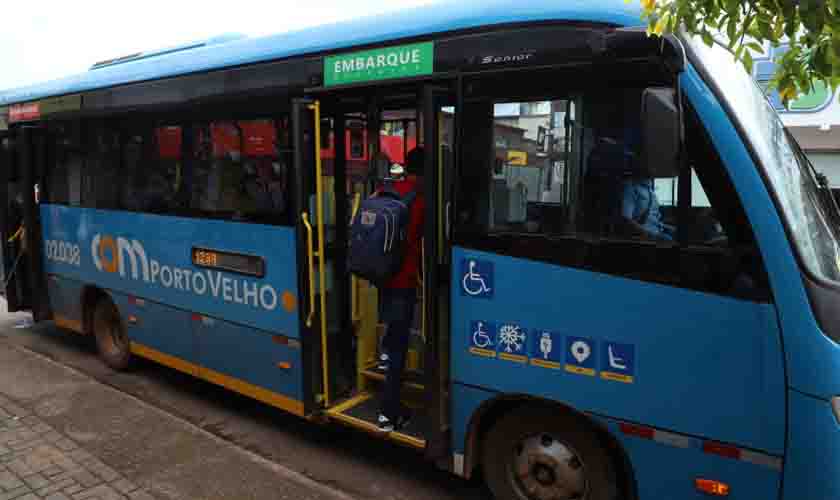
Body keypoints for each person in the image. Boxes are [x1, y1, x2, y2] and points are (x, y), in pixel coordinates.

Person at [377, 146, 425, 433]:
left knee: (391, 336)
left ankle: (383, 355)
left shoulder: (388, 189)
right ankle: (388, 414)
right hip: (403, 280)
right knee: (399, 348)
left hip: (381, 275)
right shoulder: (421, 199)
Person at [620, 174, 675, 241]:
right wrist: (651, 235)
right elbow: (626, 219)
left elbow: (653, 219)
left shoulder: (650, 190)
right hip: (646, 235)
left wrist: (666, 227)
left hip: (657, 230)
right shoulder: (631, 188)